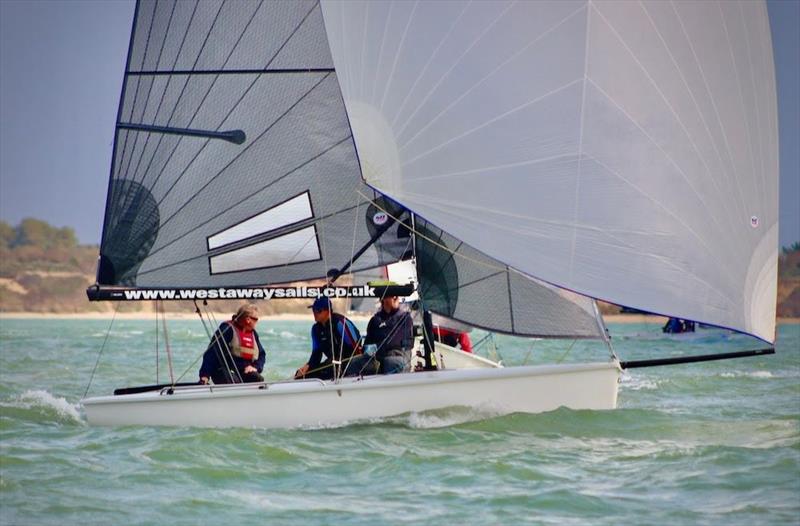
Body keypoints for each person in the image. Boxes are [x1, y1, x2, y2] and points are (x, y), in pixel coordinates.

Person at [294, 297, 362, 380]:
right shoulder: (315, 329)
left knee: (329, 368)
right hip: (332, 363)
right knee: (300, 376)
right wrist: (307, 366)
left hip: (348, 363)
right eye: (314, 310)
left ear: (328, 311)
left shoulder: (340, 323)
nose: (315, 313)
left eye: (318, 310)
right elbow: (316, 354)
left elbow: (356, 348)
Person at [199, 304, 266, 384]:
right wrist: (205, 375)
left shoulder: (253, 334)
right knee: (234, 381)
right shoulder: (227, 329)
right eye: (256, 319)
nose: (257, 322)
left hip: (242, 372)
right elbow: (212, 352)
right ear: (248, 320)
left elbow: (262, 354)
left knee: (258, 379)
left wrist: (255, 367)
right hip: (223, 371)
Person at [362, 295, 414, 374]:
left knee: (390, 362)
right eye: (392, 296)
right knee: (355, 363)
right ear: (383, 298)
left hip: (398, 356)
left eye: (397, 296)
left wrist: (376, 347)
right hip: (377, 358)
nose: (396, 298)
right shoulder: (374, 320)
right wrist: (365, 349)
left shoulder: (405, 318)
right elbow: (367, 344)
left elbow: (395, 341)